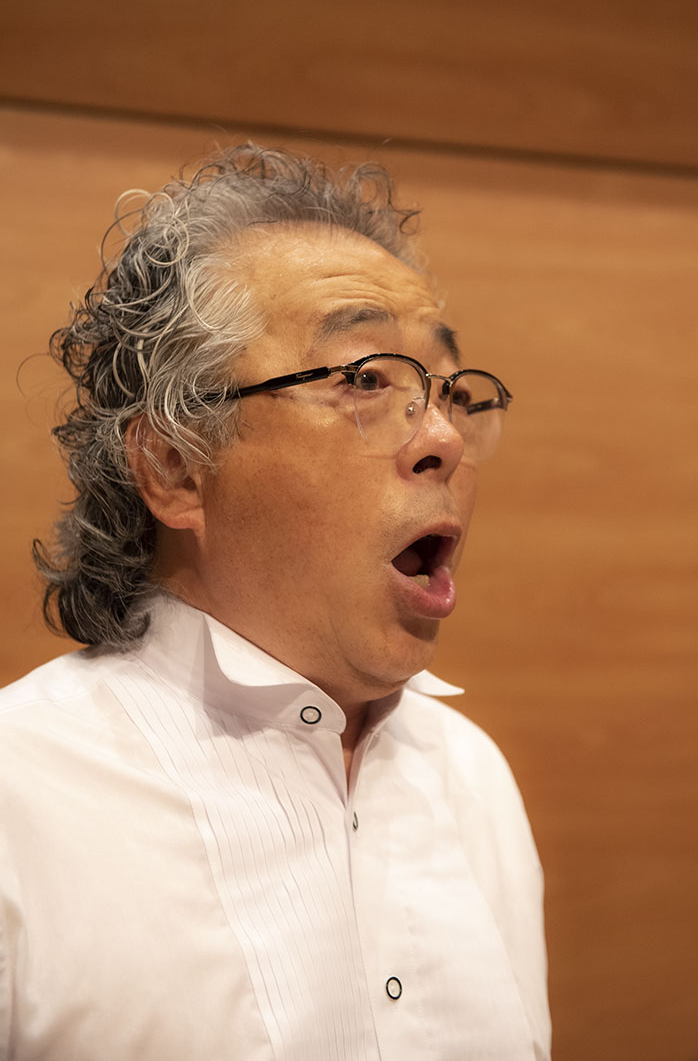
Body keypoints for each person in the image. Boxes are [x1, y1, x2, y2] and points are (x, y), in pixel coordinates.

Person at [0, 145, 551, 1060]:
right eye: (362, 378)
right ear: (175, 466)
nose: (444, 438)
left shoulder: (471, 775)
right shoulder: (18, 797)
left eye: (450, 390)